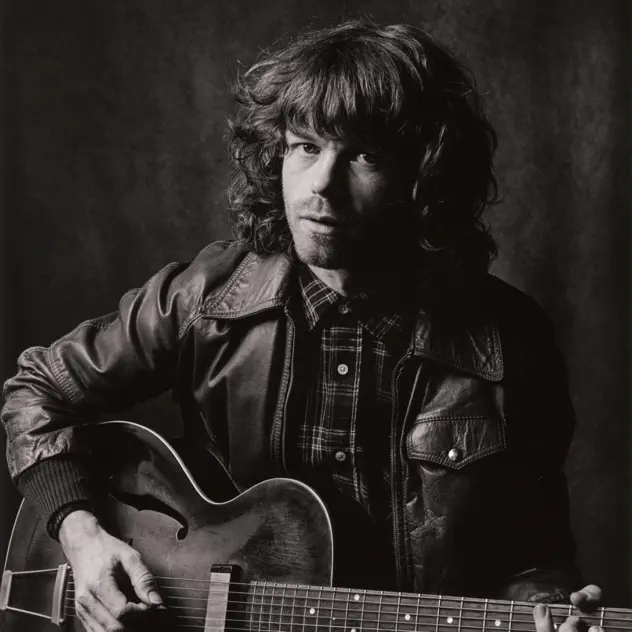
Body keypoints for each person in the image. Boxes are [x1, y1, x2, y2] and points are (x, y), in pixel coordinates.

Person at [2, 18, 602, 632]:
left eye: (365, 155)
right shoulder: (207, 297)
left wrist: (548, 610)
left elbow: (533, 554)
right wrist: (81, 533)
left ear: (426, 178)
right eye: (305, 146)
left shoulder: (510, 342)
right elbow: (36, 392)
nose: (322, 185)